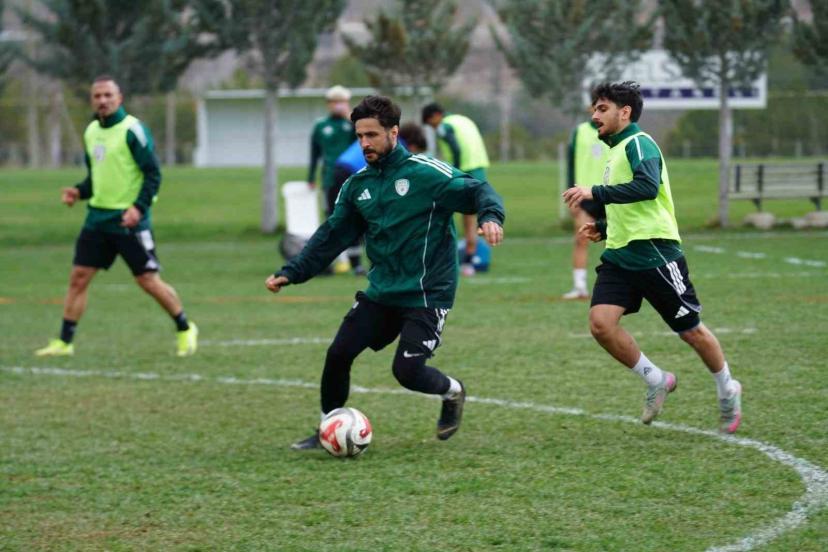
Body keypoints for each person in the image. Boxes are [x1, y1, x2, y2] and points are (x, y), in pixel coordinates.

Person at [266, 96, 505, 449]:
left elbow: (477, 189)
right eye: (359, 136)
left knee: (407, 372)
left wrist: (490, 216)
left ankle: (453, 392)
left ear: (393, 133)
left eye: (372, 135)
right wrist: (293, 271)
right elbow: (332, 236)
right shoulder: (357, 185)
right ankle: (328, 426)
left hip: (427, 291)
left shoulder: (425, 173)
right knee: (339, 353)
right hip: (383, 290)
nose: (364, 143)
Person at [562, 81, 742, 433]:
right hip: (620, 255)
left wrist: (594, 192)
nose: (594, 115)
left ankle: (728, 387)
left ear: (625, 112)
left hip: (655, 253)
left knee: (691, 332)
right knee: (601, 324)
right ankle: (657, 379)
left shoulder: (639, 143)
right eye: (594, 109)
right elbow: (628, 204)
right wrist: (603, 226)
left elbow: (647, 187)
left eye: (602, 109)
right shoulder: (616, 150)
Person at [35, 75, 197, 357]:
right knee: (78, 278)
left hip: (128, 221)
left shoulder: (133, 130)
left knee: (147, 280)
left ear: (119, 98)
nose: (103, 100)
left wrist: (138, 208)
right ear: (92, 100)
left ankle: (185, 327)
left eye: (108, 95)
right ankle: (64, 342)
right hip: (97, 220)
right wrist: (78, 191)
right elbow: (97, 178)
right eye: (97, 96)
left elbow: (153, 175)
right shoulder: (91, 132)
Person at [422, 102, 490, 277]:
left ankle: (454, 261)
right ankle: (470, 260)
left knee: (444, 212)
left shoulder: (444, 126)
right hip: (479, 168)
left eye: (431, 124)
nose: (433, 128)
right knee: (472, 216)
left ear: (436, 116)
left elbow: (455, 147)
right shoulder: (463, 119)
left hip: (464, 171)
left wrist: (455, 171)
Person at [308, 85, 359, 273]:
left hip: (353, 178)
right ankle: (332, 261)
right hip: (330, 178)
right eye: (334, 102)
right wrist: (311, 177)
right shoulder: (321, 126)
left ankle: (356, 264)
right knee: (333, 219)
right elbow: (314, 153)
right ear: (328, 104)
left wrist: (351, 118)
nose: (338, 105)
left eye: (341, 102)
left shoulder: (353, 125)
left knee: (355, 218)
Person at [563, 117, 609, 299]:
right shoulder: (580, 131)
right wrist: (571, 194)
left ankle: (620, 286)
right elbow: (570, 164)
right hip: (584, 195)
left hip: (611, 193)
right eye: (594, 105)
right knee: (581, 238)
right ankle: (580, 286)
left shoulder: (616, 129)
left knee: (615, 241)